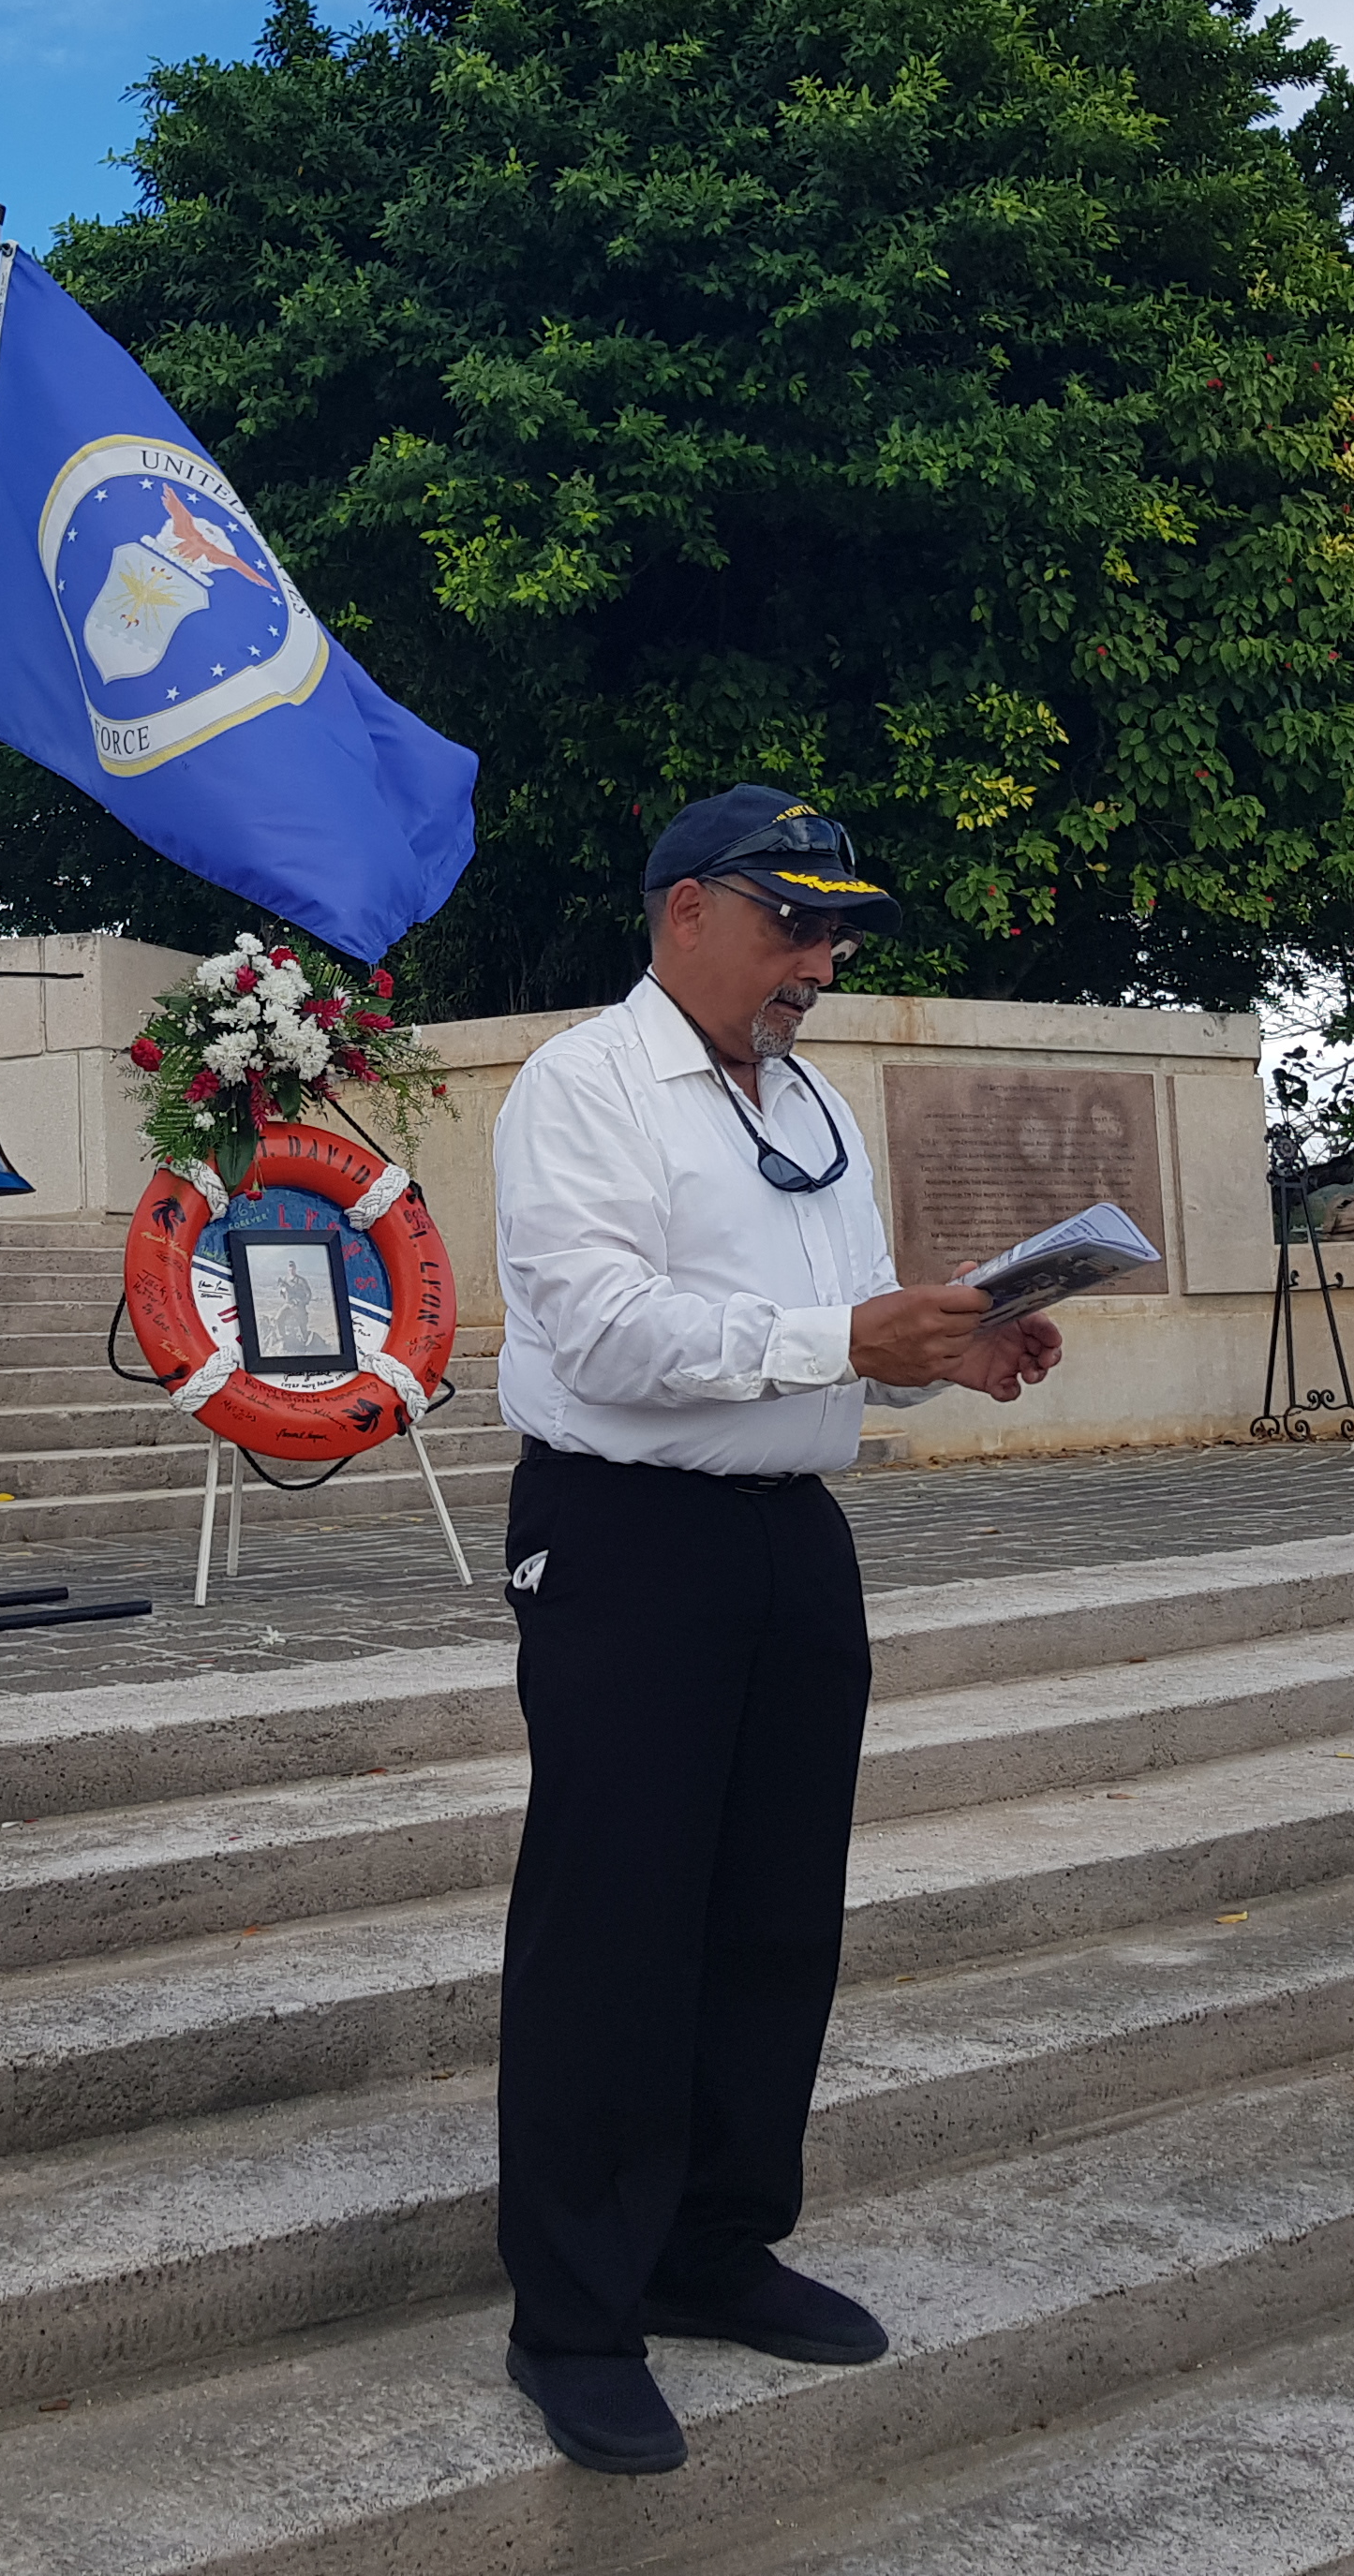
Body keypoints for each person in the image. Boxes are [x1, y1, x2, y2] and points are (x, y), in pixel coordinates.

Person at [489, 784, 1066, 2477]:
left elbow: (838, 1326)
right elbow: (597, 1326)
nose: (817, 955)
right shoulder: (582, 1086)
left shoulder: (808, 1099)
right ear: (683, 909)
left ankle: (712, 2241)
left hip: (789, 1539)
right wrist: (838, 1335)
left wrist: (950, 1346)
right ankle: (575, 2311)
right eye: (789, 920)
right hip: (625, 1531)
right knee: (614, 1921)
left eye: (833, 929)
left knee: (769, 1910)